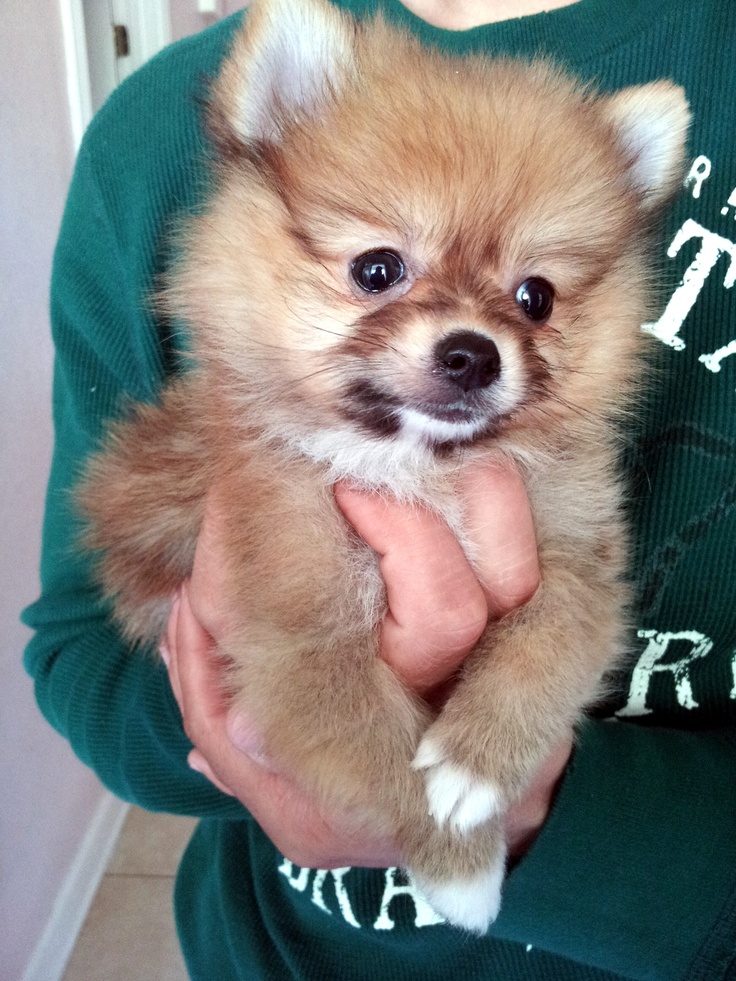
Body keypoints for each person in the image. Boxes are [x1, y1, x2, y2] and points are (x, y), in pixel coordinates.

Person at [22, 0, 736, 978]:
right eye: (377, 269)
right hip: (271, 949)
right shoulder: (148, 146)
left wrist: (525, 784)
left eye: (533, 298)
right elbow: (83, 652)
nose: (472, 336)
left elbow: (575, 598)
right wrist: (240, 727)